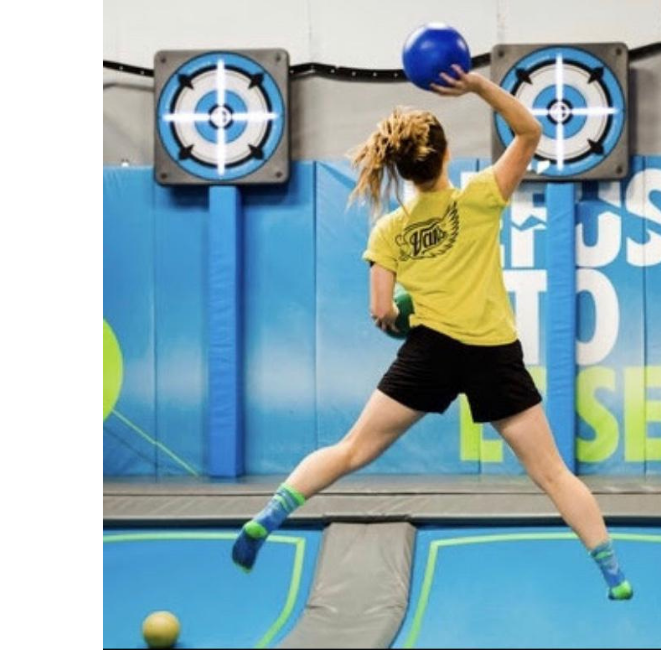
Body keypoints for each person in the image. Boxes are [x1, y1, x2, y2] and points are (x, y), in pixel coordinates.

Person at [232, 64, 632, 600]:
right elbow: (531, 131)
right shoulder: (482, 196)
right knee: (553, 474)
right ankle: (612, 571)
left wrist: (401, 316)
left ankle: (270, 515)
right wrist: (478, 86)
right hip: (492, 353)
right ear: (445, 156)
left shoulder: (389, 230)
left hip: (431, 352)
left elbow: (381, 311)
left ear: (399, 170)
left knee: (351, 450)